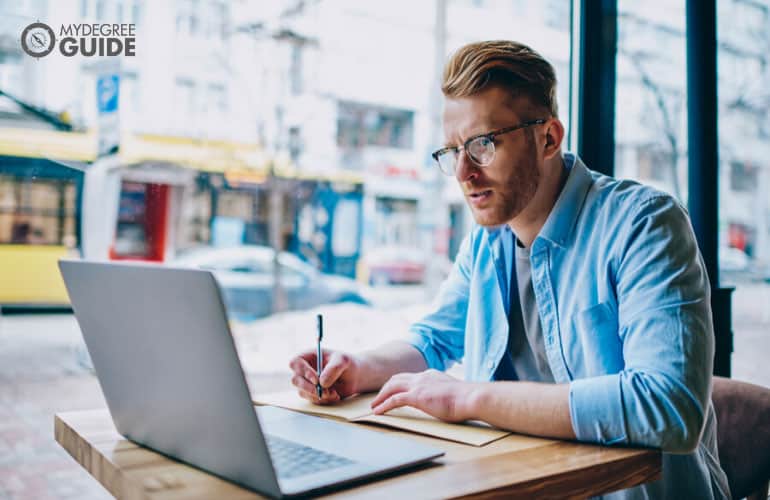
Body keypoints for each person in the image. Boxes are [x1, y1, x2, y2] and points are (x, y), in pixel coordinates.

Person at [289, 40, 730, 499]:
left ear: (548, 138)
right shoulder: (486, 241)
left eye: (483, 145)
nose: (463, 172)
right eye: (452, 150)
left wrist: (469, 397)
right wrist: (358, 369)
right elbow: (433, 340)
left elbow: (668, 409)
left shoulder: (644, 225)